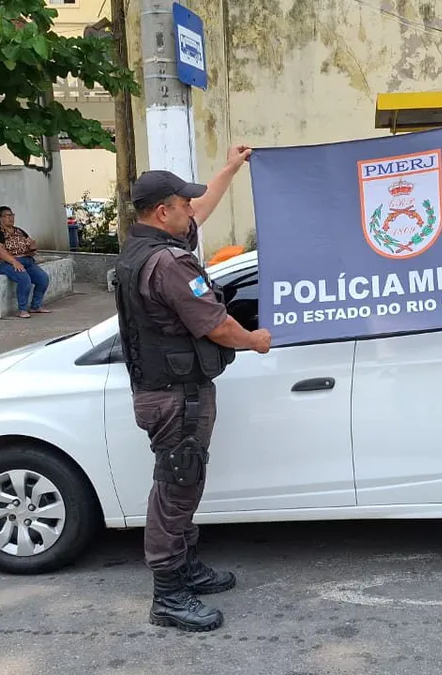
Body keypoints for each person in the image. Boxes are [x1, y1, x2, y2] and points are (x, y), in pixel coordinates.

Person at [115, 145, 269, 633]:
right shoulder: (169, 264)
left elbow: (201, 207)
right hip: (175, 396)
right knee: (176, 488)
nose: (191, 211)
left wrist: (230, 168)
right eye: (183, 205)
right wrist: (255, 340)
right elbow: (217, 326)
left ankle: (186, 568)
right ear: (163, 212)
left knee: (185, 482)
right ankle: (168, 593)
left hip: (169, 389)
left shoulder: (143, 246)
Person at [0, 206, 51, 318]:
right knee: (24, 279)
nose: (10, 218)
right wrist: (14, 262)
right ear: (0, 218)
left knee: (43, 278)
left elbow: (31, 247)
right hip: (5, 262)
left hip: (26, 260)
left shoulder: (19, 231)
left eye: (11, 215)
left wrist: (32, 246)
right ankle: (22, 309)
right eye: (7, 216)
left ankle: (36, 306)